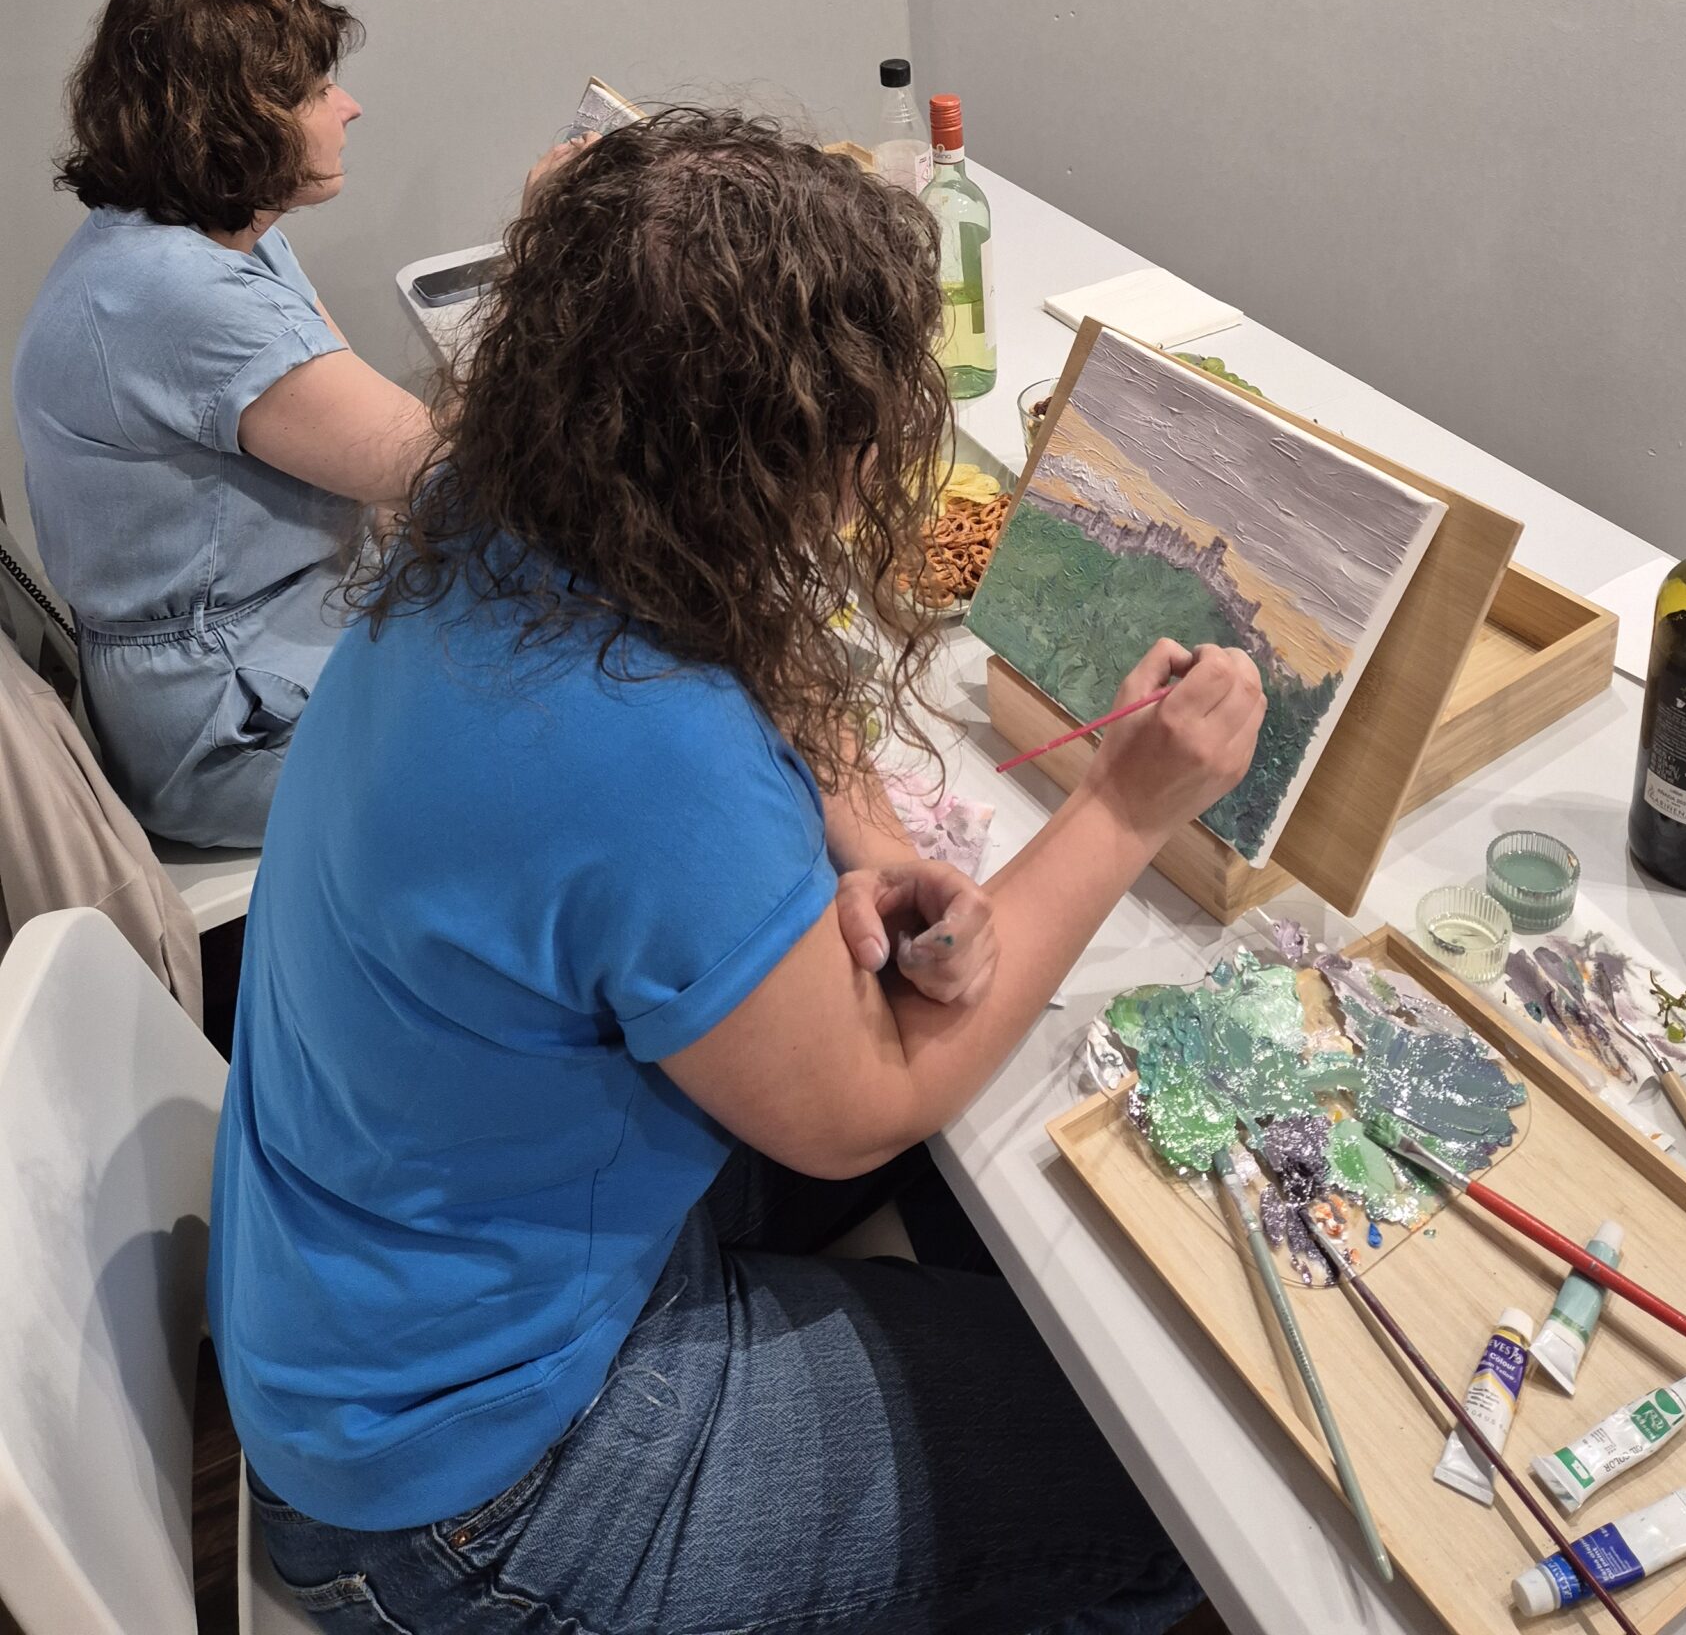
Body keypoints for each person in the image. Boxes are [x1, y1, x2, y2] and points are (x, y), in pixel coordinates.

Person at [211, 109, 1265, 1635]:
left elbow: (741, 696)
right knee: (1170, 1482)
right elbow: (859, 1110)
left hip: (373, 1321)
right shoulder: (642, 745)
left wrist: (875, 848)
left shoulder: (494, 516)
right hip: (472, 1499)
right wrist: (1127, 805)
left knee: (1017, 1241)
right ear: (782, 455)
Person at [10, 0, 435, 847]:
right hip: (229, 729)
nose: (349, 107)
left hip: (273, 643)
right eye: (316, 90)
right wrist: (560, 266)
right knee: (575, 735)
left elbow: (374, 430)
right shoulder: (180, 295)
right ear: (236, 120)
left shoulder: (219, 235)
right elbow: (428, 464)